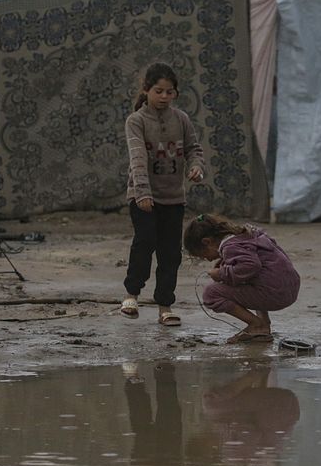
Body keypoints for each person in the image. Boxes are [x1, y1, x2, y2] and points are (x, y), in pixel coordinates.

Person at [121, 63, 205, 327]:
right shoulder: (136, 121)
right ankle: (131, 294)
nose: (164, 97)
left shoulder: (181, 119)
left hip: (173, 199)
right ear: (146, 90)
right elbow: (137, 159)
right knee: (145, 241)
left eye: (170, 92)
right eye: (159, 91)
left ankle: (165, 306)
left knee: (171, 253)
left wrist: (196, 167)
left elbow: (193, 148)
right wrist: (143, 194)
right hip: (143, 197)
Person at [183, 214, 300, 344]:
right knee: (253, 278)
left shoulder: (230, 247)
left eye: (203, 255)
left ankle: (256, 325)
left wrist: (222, 274)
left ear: (207, 242)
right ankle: (264, 323)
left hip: (275, 294)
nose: (207, 259)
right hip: (289, 288)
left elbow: (251, 265)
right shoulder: (247, 235)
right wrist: (226, 265)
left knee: (211, 293)